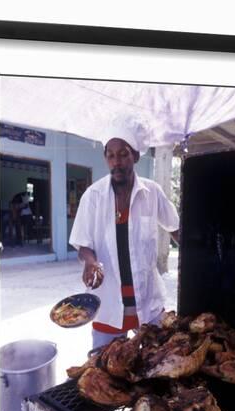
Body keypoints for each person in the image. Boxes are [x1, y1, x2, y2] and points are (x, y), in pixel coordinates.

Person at [69, 121, 180, 350]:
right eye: (110, 156)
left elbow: (176, 229)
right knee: (105, 372)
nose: (116, 162)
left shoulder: (152, 193)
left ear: (136, 156)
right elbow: (83, 243)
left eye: (123, 154)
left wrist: (197, 258)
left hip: (148, 303)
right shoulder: (93, 196)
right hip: (108, 306)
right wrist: (90, 262)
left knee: (157, 366)